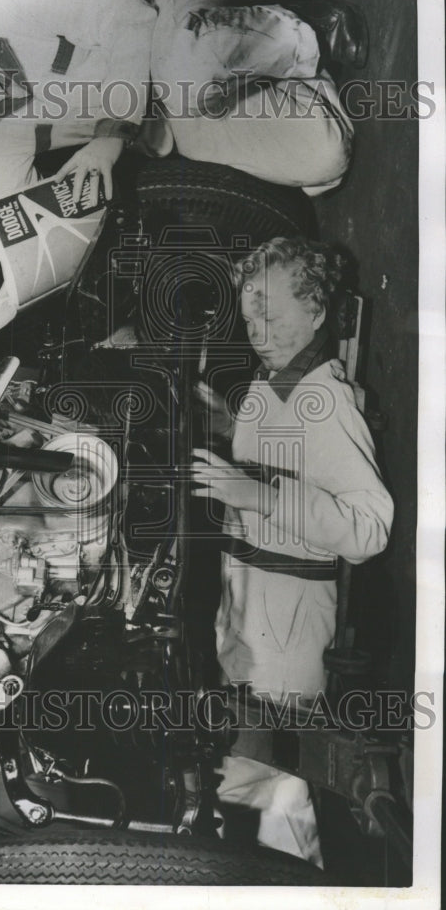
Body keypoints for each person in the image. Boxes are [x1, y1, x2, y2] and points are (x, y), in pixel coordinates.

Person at [191, 236, 394, 866]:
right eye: (249, 317)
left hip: (287, 631)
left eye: (271, 316)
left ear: (315, 313)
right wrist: (226, 419)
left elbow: (369, 529)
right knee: (248, 775)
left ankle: (288, 884)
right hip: (251, 614)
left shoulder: (326, 401)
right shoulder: (274, 382)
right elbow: (280, 447)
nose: (257, 330)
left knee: (261, 784)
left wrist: (257, 492)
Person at [0, 0, 359, 206]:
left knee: (186, 67)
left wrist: (108, 136)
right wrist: (14, 283)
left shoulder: (10, 2)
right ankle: (288, 79)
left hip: (169, 21)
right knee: (324, 157)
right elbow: (13, 211)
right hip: (172, 118)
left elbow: (134, 23)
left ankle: (302, 32)